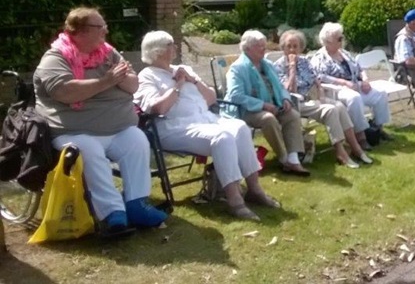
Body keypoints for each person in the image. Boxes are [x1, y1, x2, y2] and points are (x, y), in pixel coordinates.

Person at [33, 7, 167, 234]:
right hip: (74, 131)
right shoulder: (55, 58)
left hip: (118, 128)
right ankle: (112, 212)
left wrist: (118, 79)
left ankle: (137, 204)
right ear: (80, 31)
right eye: (100, 26)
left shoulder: (108, 52)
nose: (106, 30)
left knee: (137, 140)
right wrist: (108, 81)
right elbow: (65, 92)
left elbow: (133, 85)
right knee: (90, 150)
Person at [134, 31, 280, 221]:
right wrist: (177, 85)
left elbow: (211, 99)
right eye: (171, 45)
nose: (176, 47)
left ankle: (254, 189)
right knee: (222, 136)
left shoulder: (183, 68)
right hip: (173, 128)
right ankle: (235, 200)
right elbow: (158, 108)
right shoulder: (147, 76)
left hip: (205, 119)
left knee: (240, 127)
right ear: (158, 51)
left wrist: (192, 80)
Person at [272, 30, 373, 168]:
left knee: (339, 106)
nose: (292, 50)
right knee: (331, 110)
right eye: (289, 46)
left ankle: (355, 147)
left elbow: (316, 79)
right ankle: (340, 152)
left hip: (311, 99)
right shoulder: (277, 66)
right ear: (283, 47)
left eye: (296, 46)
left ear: (301, 48)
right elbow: (290, 90)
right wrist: (292, 67)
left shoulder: (304, 61)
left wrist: (321, 94)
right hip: (294, 104)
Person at [224, 30, 310, 176]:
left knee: (292, 115)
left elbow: (281, 87)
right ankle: (284, 159)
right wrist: (262, 105)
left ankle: (294, 159)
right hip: (247, 111)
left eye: (264, 46)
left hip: (273, 105)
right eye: (259, 46)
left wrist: (284, 99)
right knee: (268, 119)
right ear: (247, 48)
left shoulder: (267, 64)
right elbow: (235, 96)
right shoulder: (238, 68)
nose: (264, 49)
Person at [310, 23, 392, 146]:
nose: (342, 40)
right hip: (336, 91)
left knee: (380, 94)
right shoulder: (319, 57)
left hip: (355, 85)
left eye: (341, 37)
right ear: (328, 41)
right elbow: (320, 77)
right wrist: (342, 82)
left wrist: (365, 80)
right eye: (339, 38)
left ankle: (377, 128)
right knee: (354, 98)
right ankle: (361, 136)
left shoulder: (344, 53)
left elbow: (359, 68)